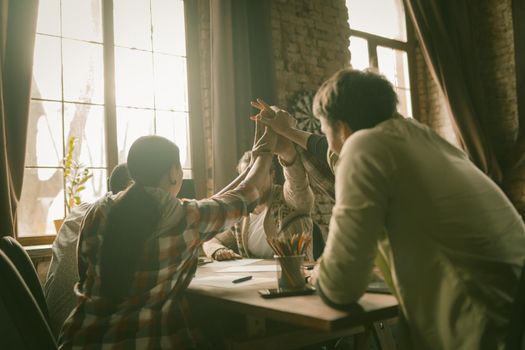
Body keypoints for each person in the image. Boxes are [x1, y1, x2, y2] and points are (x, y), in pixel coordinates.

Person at [257, 69, 525, 350]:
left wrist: (317, 274)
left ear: (344, 128)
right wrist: (287, 131)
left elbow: (340, 288)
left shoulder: (364, 147)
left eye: (325, 127)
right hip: (512, 313)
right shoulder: (420, 137)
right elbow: (326, 147)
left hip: (486, 330)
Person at [58, 131, 274, 349]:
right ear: (173, 172)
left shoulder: (98, 211)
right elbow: (246, 196)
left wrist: (249, 167)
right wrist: (266, 150)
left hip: (79, 340)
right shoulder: (182, 218)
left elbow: (83, 272)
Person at [44, 163, 131, 337]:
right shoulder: (117, 221)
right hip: (82, 333)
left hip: (53, 330)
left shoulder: (80, 211)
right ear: (131, 188)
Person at [202, 148, 314, 261]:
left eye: (258, 176)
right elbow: (211, 239)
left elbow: (298, 182)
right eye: (247, 178)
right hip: (257, 277)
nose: (253, 183)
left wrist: (286, 151)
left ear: (272, 175)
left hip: (293, 275)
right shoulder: (242, 214)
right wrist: (218, 250)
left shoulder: (288, 199)